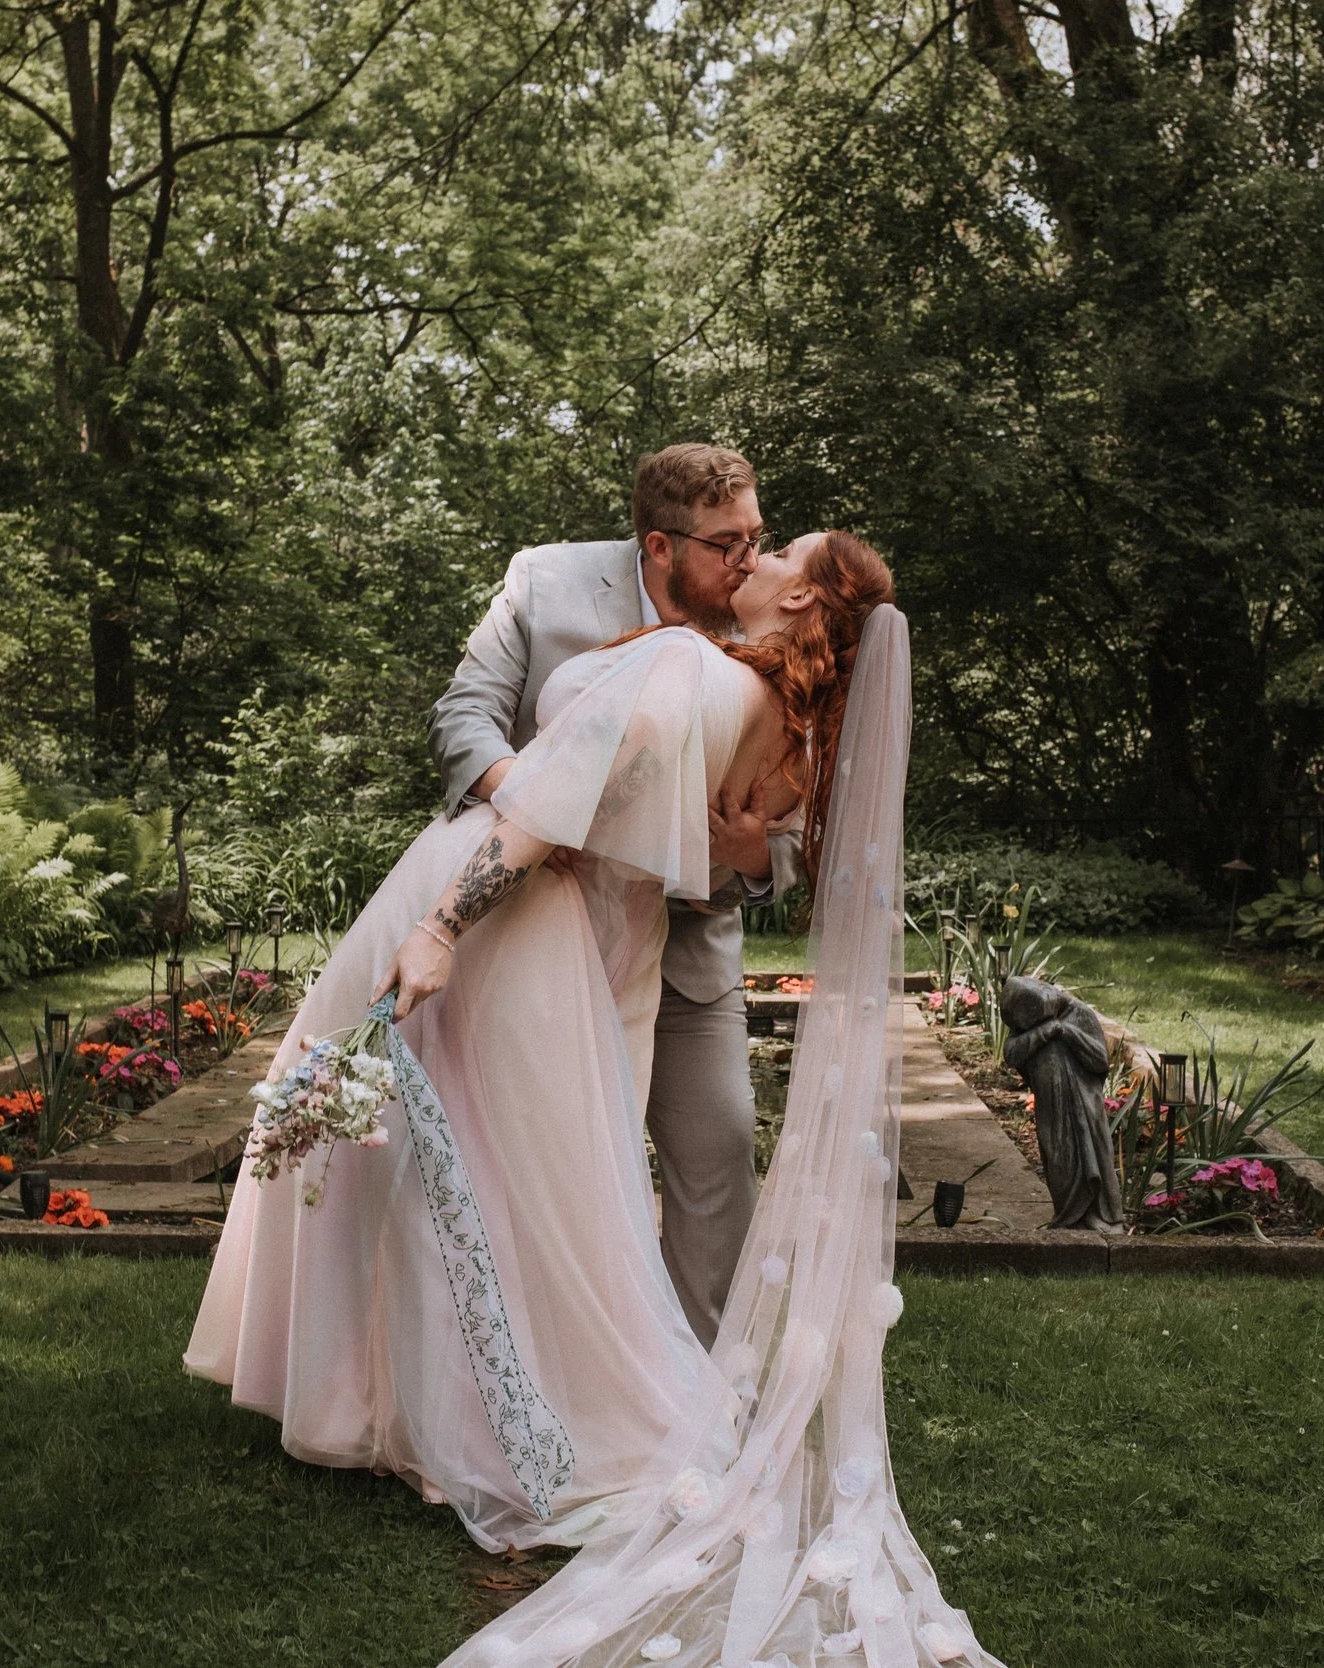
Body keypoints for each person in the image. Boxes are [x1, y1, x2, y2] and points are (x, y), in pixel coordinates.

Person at [187, 525, 997, 1667]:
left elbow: (546, 817)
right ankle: (421, 1410)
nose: (756, 558)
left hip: (513, 922)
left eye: (781, 554)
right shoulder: (792, 733)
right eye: (747, 541)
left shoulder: (689, 668)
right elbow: (656, 831)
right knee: (511, 1181)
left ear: (809, 603)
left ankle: (449, 1419)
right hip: (595, 937)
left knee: (461, 1169)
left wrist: (434, 930)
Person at [426, 443, 803, 1346]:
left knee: (717, 1160)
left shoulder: (768, 616)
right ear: (660, 545)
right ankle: (521, 1372)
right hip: (537, 923)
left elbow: (794, 821)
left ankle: (706, 1391)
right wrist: (535, 802)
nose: (751, 560)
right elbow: (463, 715)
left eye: (760, 535)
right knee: (534, 1169)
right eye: (727, 542)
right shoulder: (546, 582)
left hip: (686, 944)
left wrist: (758, 857)